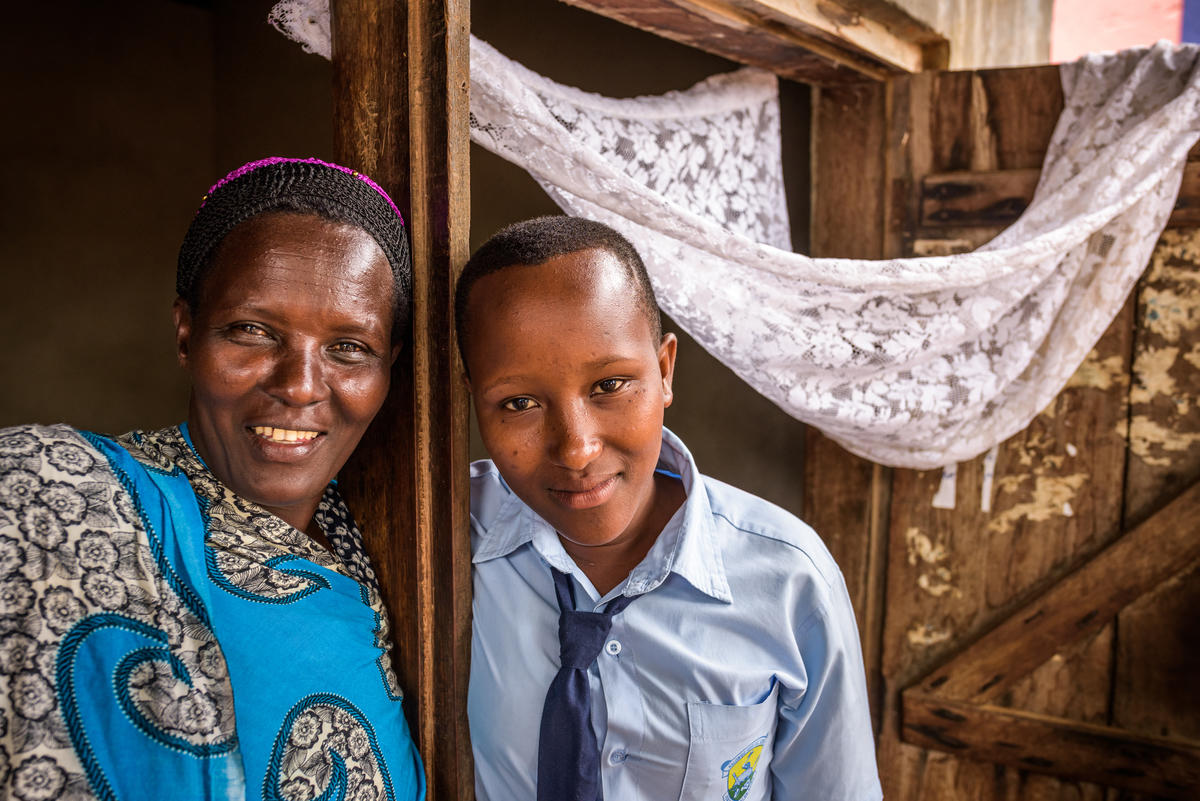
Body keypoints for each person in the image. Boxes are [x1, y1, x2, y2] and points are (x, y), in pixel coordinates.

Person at [0, 157, 424, 801]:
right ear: (185, 333)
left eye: (348, 347)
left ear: (389, 367)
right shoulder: (58, 495)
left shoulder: (387, 559)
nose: (301, 385)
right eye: (252, 331)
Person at [458, 216, 882, 801]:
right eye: (520, 402)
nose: (576, 448)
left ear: (664, 370)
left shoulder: (789, 584)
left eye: (610, 386)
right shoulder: (449, 536)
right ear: (473, 402)